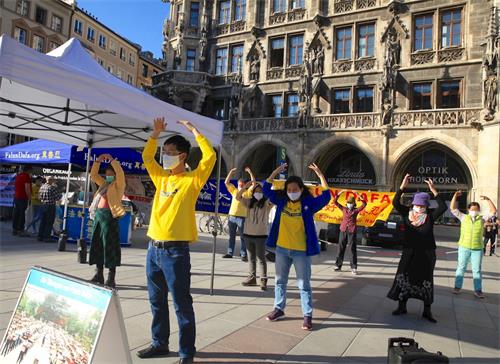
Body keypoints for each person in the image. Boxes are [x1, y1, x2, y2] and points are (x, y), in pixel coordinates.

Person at [137, 118, 215, 364]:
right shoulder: (161, 177)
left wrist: (195, 132)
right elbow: (147, 159)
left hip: (175, 252)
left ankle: (185, 353)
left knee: (181, 304)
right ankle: (159, 343)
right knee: (156, 301)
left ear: (182, 156)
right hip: (154, 248)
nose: (165, 157)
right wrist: (155, 135)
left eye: (170, 153)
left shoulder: (192, 180)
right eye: (165, 152)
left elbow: (209, 157)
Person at [263, 163, 332, 331]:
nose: (292, 192)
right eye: (289, 189)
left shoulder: (309, 203)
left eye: (295, 189)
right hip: (282, 249)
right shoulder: (281, 201)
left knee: (304, 284)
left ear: (301, 189)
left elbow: (327, 196)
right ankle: (279, 309)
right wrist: (275, 172)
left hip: (301, 251)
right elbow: (265, 188)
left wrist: (320, 174)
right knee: (280, 281)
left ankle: (307, 315)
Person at [388, 174, 447, 323]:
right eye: (417, 205)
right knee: (404, 277)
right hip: (409, 252)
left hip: (426, 254)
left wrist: (434, 190)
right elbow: (395, 202)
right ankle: (402, 306)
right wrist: (402, 187)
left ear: (426, 206)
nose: (419, 207)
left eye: (422, 205)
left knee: (426, 280)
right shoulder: (406, 214)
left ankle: (427, 311)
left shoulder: (430, 216)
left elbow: (443, 207)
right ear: (413, 204)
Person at [88, 153, 126, 289]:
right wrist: (98, 161)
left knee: (110, 246)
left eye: (111, 173)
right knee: (98, 244)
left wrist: (112, 160)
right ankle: (99, 274)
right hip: (99, 215)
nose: (108, 175)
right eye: (107, 173)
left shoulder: (118, 185)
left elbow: (120, 173)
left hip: (110, 216)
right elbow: (93, 175)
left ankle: (111, 277)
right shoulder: (103, 184)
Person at [450, 192, 497, 298]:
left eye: (476, 210)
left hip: (477, 249)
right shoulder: (463, 217)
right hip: (464, 247)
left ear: (478, 210)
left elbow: (493, 212)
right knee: (461, 268)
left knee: (476, 270)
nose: (474, 211)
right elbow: (452, 208)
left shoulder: (482, 219)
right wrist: (455, 196)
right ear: (468, 210)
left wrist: (488, 199)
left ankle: (478, 290)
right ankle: (457, 287)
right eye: (472, 209)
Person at [236, 176, 274, 290]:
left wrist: (268, 187)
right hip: (248, 234)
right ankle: (252, 278)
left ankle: (263, 280)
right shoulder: (249, 202)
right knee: (251, 258)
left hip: (261, 235)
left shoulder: (267, 203)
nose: (258, 192)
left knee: (261, 258)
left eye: (260, 191)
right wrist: (245, 187)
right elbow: (238, 197)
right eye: (256, 191)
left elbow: (273, 199)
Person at [222, 167, 255, 261]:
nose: (239, 184)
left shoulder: (247, 192)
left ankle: (243, 254)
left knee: (243, 237)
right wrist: (231, 172)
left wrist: (250, 172)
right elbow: (226, 182)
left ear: (244, 184)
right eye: (239, 183)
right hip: (232, 216)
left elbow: (254, 183)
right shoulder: (234, 190)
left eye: (241, 183)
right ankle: (230, 252)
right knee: (231, 236)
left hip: (242, 217)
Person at [333, 190, 367, 275]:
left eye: (351, 203)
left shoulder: (355, 211)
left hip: (352, 230)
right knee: (341, 247)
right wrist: (340, 193)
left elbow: (364, 204)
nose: (349, 204)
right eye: (348, 202)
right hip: (343, 229)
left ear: (354, 204)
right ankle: (338, 265)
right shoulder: (344, 209)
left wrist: (358, 195)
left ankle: (354, 267)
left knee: (352, 249)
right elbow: (335, 202)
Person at [37, 177, 61, 242]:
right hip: (50, 206)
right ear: (51, 180)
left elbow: (39, 197)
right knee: (49, 222)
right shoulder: (52, 188)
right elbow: (58, 197)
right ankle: (47, 237)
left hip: (43, 205)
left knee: (43, 221)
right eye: (53, 180)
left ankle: (40, 236)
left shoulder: (42, 187)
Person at [12, 165, 32, 236]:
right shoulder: (26, 177)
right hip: (23, 197)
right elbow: (27, 188)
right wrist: (30, 198)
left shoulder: (18, 176)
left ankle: (15, 229)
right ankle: (20, 230)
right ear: (29, 170)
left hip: (16, 197)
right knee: (22, 214)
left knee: (16, 213)